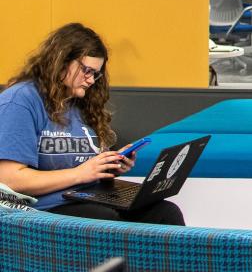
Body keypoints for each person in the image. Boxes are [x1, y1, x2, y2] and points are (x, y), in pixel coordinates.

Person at [0, 23, 184, 224]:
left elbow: (84, 168)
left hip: (89, 196)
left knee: (166, 212)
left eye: (96, 74)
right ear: (60, 61)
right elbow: (9, 179)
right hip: (47, 208)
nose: (91, 80)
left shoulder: (81, 103)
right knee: (105, 222)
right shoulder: (21, 101)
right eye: (86, 70)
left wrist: (109, 166)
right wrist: (81, 174)